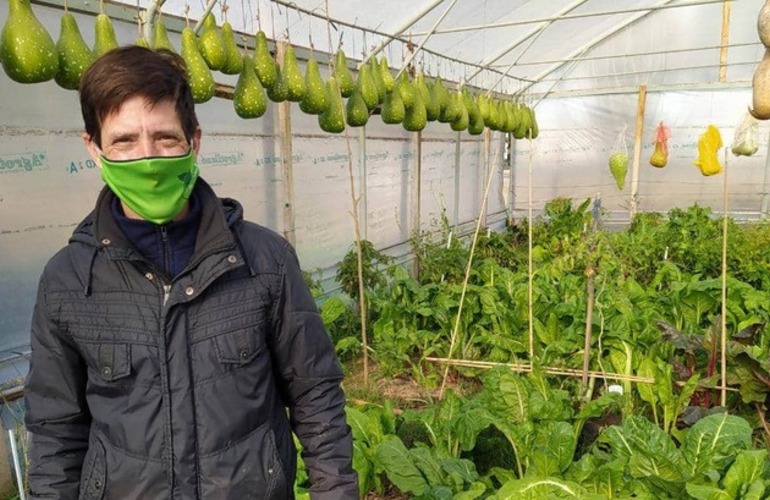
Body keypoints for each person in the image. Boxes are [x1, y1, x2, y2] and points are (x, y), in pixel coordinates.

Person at [23, 46, 358, 500]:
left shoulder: (264, 260)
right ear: (94, 148)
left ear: (194, 141)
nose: (148, 159)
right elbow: (55, 431)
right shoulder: (68, 281)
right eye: (124, 141)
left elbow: (315, 395)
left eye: (165, 137)